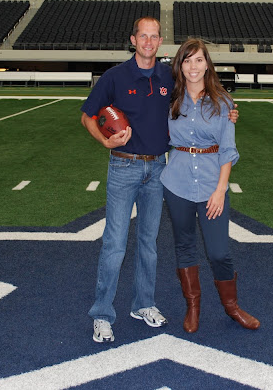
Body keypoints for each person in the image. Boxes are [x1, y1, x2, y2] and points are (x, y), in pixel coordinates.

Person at [81, 18, 239, 343]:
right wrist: (105, 140)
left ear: (160, 41)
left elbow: (199, 91)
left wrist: (229, 111)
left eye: (154, 36)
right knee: (114, 244)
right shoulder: (115, 76)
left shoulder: (169, 76)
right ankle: (102, 314)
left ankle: (143, 304)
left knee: (148, 244)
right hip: (123, 166)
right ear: (133, 39)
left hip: (157, 169)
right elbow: (87, 115)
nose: (149, 42)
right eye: (143, 36)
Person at [160, 38, 260, 333]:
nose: (193, 66)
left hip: (211, 184)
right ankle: (193, 307)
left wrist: (220, 190)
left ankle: (232, 307)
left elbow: (228, 149)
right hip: (177, 182)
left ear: (207, 64)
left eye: (199, 60)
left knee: (219, 252)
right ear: (180, 65)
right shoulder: (170, 99)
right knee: (185, 246)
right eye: (187, 60)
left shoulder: (223, 103)